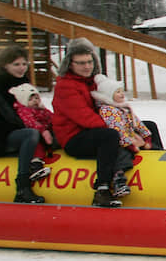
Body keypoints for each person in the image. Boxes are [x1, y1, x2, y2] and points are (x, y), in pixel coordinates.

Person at [52, 38, 129, 208]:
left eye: (89, 62)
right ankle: (102, 189)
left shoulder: (92, 82)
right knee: (109, 136)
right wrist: (124, 135)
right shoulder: (65, 86)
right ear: (69, 64)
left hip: (92, 131)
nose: (87, 66)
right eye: (80, 63)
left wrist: (130, 127)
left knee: (147, 124)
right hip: (74, 138)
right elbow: (85, 118)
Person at [0, 46, 47, 203]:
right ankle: (22, 186)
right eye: (16, 64)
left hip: (16, 131)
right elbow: (7, 114)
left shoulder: (23, 83)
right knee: (31, 134)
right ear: (4, 65)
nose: (22, 68)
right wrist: (35, 128)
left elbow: (29, 111)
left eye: (24, 64)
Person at [90, 74, 155, 197]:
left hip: (131, 139)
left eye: (121, 91)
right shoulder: (107, 110)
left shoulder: (124, 108)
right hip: (121, 141)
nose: (121, 94)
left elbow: (137, 123)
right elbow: (117, 130)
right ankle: (118, 178)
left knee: (151, 131)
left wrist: (146, 136)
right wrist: (130, 145)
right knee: (121, 155)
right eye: (117, 92)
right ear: (108, 95)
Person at [8, 83, 55, 175]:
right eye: (30, 99)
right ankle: (35, 164)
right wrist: (43, 131)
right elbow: (30, 123)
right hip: (35, 135)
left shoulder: (41, 110)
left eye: (36, 98)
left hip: (46, 134)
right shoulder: (24, 110)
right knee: (37, 146)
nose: (35, 101)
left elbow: (52, 118)